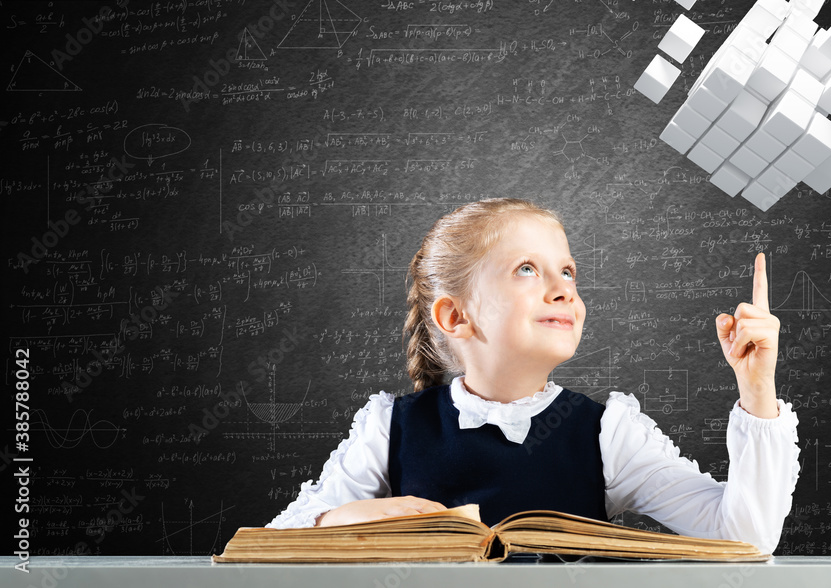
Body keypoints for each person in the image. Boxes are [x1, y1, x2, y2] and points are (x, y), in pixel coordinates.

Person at [266, 198, 801, 554]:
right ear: (456, 316)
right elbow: (272, 544)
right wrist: (347, 519)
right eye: (527, 269)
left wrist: (757, 391)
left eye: (567, 271)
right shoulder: (390, 428)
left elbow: (747, 537)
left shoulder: (608, 432)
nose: (563, 288)